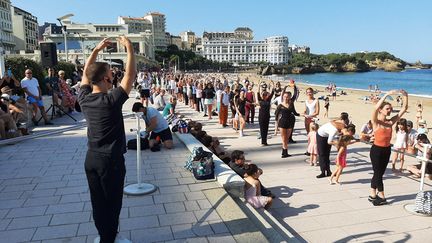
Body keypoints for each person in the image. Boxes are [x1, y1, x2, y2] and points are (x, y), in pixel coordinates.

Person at [78, 36, 136, 243]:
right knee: (113, 203)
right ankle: (108, 238)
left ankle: (104, 234)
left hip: (91, 159)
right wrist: (129, 48)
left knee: (97, 202)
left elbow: (86, 74)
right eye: (111, 75)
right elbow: (130, 75)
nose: (114, 77)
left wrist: (96, 50)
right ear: (105, 79)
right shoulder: (111, 100)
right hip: (110, 161)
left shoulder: (83, 98)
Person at [369, 89, 408, 206]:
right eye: (387, 108)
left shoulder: (391, 122)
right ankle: (382, 197)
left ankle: (372, 194)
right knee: (377, 173)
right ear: (381, 109)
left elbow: (404, 109)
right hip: (376, 150)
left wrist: (405, 96)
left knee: (379, 173)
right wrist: (386, 95)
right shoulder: (375, 122)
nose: (390, 110)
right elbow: (375, 108)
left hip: (386, 150)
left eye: (390, 109)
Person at [316, 112, 356, 178]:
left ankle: (328, 171)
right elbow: (329, 142)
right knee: (322, 154)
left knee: (327, 154)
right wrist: (338, 144)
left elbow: (346, 135)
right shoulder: (334, 130)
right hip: (321, 135)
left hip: (328, 135)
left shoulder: (344, 126)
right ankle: (323, 172)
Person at [275, 90, 296, 158]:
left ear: (289, 97)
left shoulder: (291, 104)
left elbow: (295, 113)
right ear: (283, 97)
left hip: (290, 123)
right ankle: (284, 153)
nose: (286, 98)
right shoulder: (280, 105)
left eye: (287, 97)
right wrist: (276, 128)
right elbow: (276, 117)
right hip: (282, 123)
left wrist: (303, 114)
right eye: (285, 96)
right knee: (284, 139)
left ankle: (285, 152)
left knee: (287, 139)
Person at [304, 87, 320, 155]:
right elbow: (305, 110)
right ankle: (309, 149)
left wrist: (309, 116)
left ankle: (311, 151)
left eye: (310, 92)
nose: (309, 93)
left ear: (313, 92)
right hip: (306, 119)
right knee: (308, 135)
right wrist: (304, 113)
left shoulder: (316, 101)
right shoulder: (306, 101)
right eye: (307, 92)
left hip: (312, 119)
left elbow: (317, 112)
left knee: (312, 135)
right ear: (306, 93)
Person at [257, 81, 274, 146]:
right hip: (261, 116)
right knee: (262, 129)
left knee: (266, 129)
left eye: (265, 94)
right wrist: (258, 85)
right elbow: (258, 93)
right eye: (263, 94)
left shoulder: (268, 99)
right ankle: (262, 142)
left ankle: (265, 142)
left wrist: (273, 85)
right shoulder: (260, 100)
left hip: (267, 116)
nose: (264, 95)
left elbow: (272, 93)